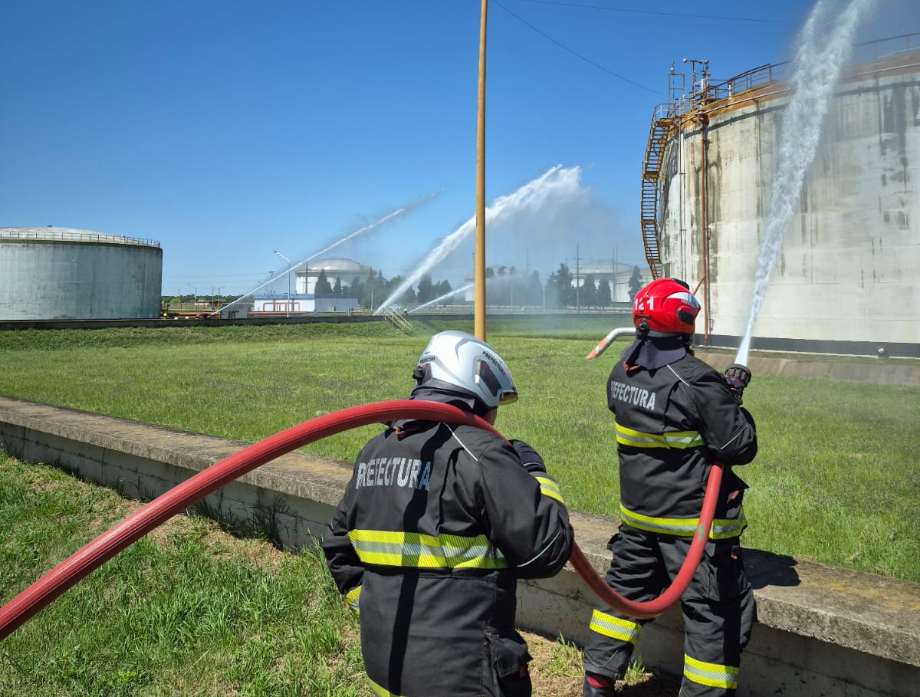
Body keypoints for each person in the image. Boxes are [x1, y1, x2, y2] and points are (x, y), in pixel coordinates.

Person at [323, 330, 574, 697]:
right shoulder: (481, 452)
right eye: (494, 408)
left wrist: (373, 608)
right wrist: (536, 474)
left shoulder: (373, 452)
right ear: (479, 390)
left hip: (385, 667)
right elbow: (546, 550)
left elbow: (336, 545)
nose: (493, 419)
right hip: (463, 677)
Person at [582, 278, 758, 697]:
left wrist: (719, 396)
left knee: (621, 601)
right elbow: (739, 445)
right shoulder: (696, 381)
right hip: (691, 531)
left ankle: (596, 680)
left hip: (638, 522)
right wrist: (729, 398)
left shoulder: (621, 369)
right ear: (684, 320)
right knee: (713, 618)